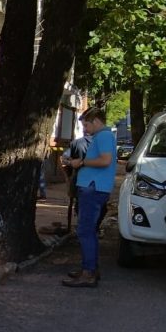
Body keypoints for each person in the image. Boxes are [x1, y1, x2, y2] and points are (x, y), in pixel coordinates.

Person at [62, 108, 116, 288]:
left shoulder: (104, 136)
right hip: (93, 187)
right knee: (88, 230)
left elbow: (105, 160)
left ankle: (88, 273)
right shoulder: (102, 137)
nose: (84, 129)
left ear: (96, 121)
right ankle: (90, 268)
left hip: (93, 188)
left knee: (85, 230)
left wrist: (82, 162)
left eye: (86, 124)